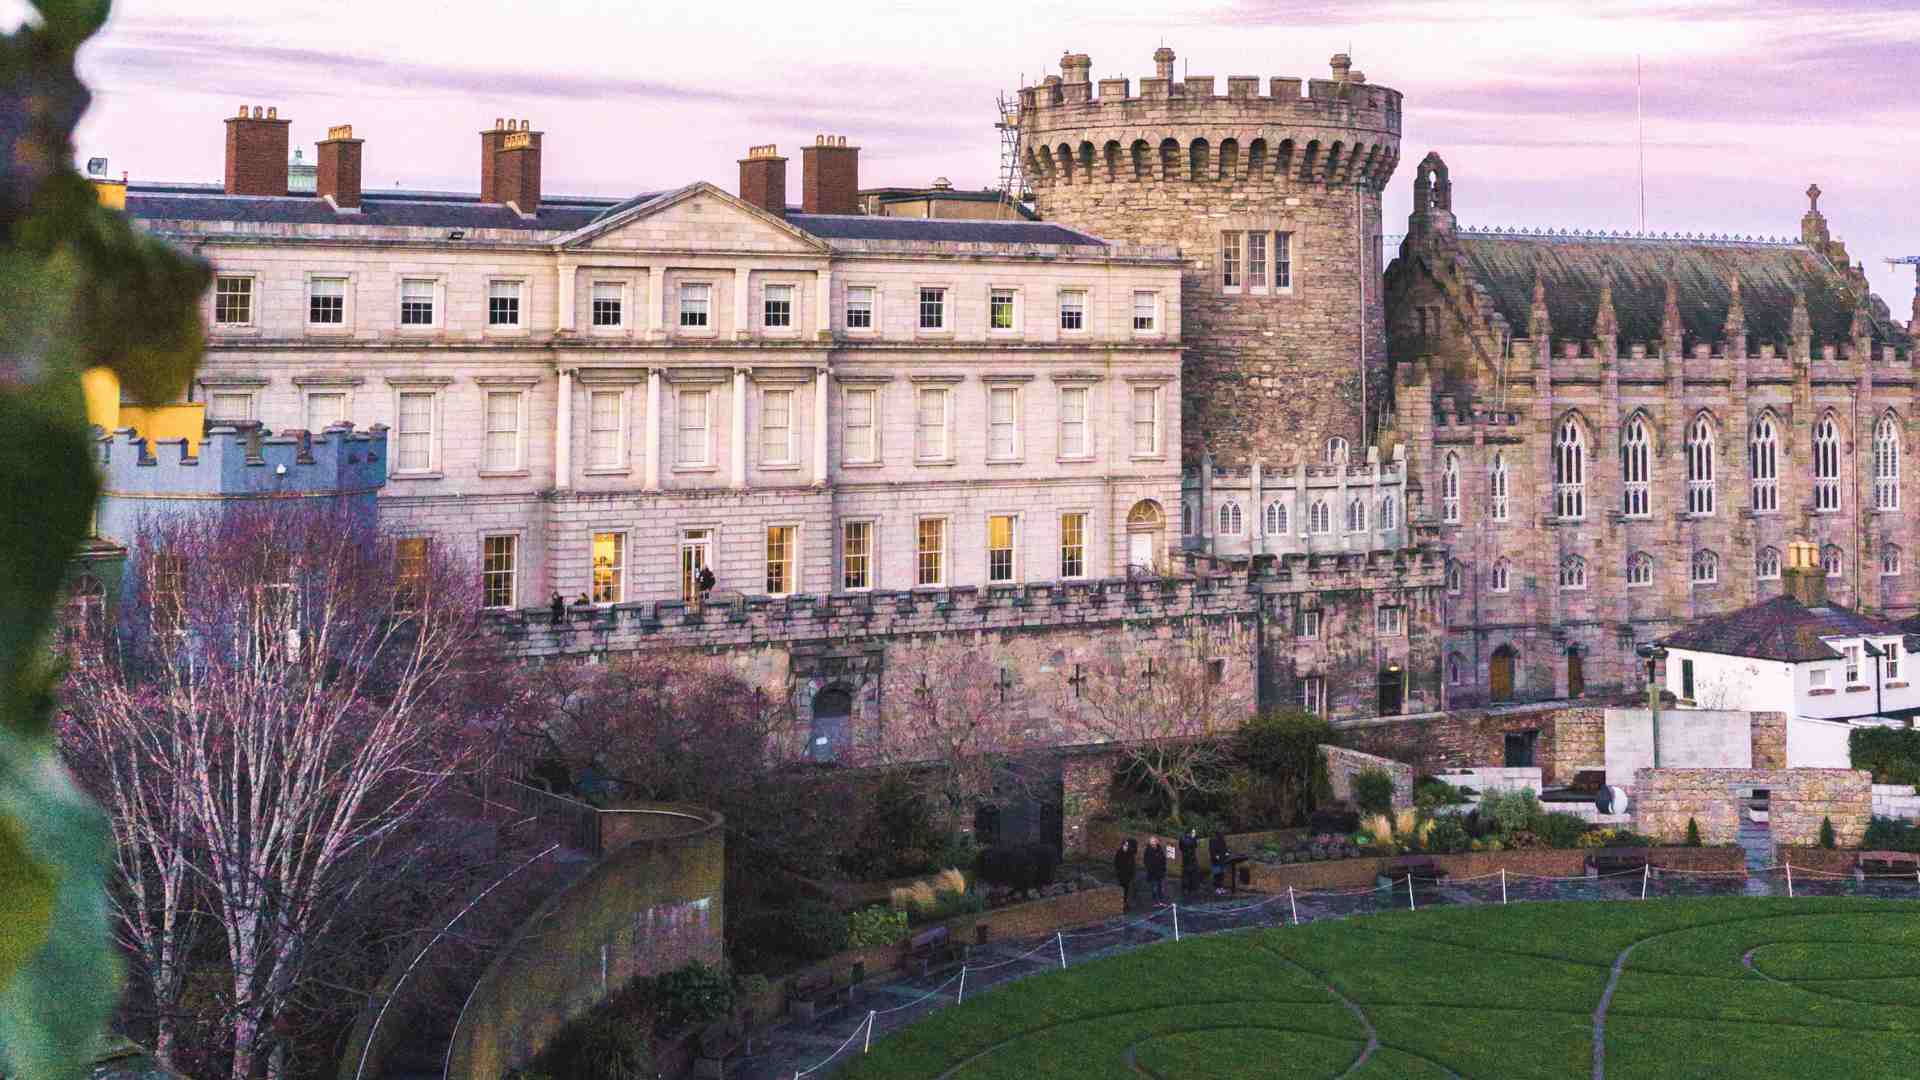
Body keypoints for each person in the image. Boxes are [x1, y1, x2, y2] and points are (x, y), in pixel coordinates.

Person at [1113, 837, 1138, 910]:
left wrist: (1132, 873)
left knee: (1127, 890)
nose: (1126, 847)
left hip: (1128, 875)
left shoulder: (1130, 854)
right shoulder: (1119, 853)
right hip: (1122, 875)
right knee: (1123, 889)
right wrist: (1119, 872)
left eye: (1127, 845)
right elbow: (1117, 863)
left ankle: (1125, 904)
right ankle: (1122, 904)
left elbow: (1132, 864)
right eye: (1125, 845)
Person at [1143, 835, 1169, 904]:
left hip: (1160, 873)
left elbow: (1163, 860)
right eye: (1151, 842)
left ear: (1156, 842)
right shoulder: (1148, 851)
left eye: (1154, 841)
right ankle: (1156, 902)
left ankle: (1162, 901)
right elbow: (1146, 861)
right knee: (1154, 888)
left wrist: (1163, 869)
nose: (1153, 843)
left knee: (1161, 888)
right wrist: (1150, 869)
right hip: (1152, 873)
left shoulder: (1160, 849)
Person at [1178, 829, 1201, 898]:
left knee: (1186, 875)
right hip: (1190, 859)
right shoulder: (1189, 839)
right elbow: (1194, 845)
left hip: (1185, 859)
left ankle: (1186, 889)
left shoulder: (1182, 838)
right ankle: (1189, 889)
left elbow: (1181, 848)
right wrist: (1193, 837)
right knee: (1190, 875)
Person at [1210, 829, 1232, 895]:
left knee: (1221, 874)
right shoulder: (1212, 840)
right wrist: (1215, 856)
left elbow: (1225, 848)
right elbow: (1212, 850)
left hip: (1222, 859)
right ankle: (1217, 888)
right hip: (1216, 860)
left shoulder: (1222, 840)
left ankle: (1221, 887)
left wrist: (1227, 852)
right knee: (1217, 874)